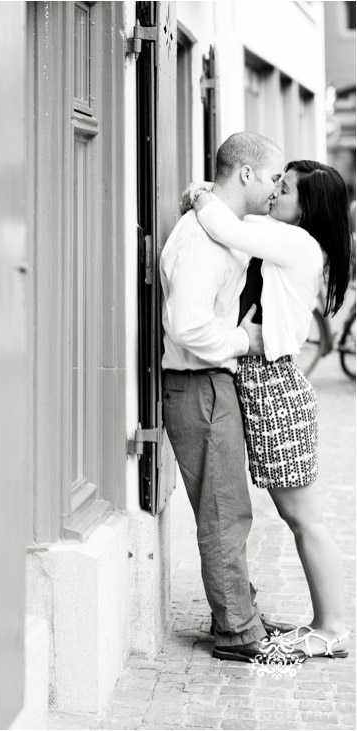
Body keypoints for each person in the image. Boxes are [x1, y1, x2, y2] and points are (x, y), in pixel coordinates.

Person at [184, 159, 353, 659]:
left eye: (287, 187)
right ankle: (327, 623)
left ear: (309, 206)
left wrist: (200, 195)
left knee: (303, 517)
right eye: (276, 180)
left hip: (275, 388)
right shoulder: (283, 235)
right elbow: (241, 224)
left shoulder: (298, 243)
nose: (276, 190)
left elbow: (222, 224)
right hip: (265, 385)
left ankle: (333, 628)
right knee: (297, 515)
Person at [160, 132, 305, 664]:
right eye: (271, 178)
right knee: (224, 512)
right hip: (199, 384)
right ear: (245, 174)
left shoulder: (222, 225)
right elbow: (186, 324)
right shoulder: (203, 238)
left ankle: (240, 611)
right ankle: (239, 634)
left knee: (229, 508)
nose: (276, 189)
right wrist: (247, 340)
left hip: (210, 384)